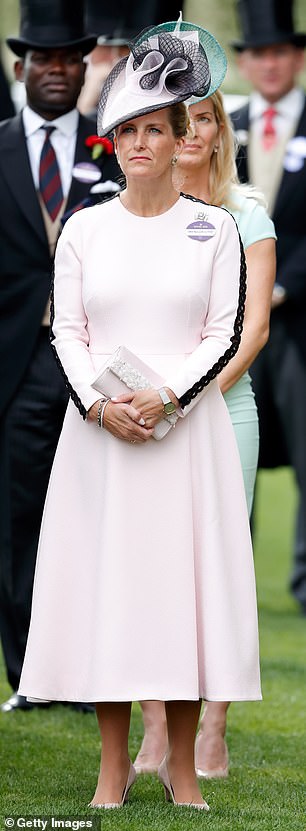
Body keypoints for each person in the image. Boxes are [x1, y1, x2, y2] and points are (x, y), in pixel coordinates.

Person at [19, 19, 261, 810]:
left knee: (181, 600)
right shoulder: (86, 228)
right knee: (112, 596)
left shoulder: (215, 229)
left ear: (182, 135)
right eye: (126, 131)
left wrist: (167, 396)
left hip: (186, 440)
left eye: (154, 129)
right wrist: (96, 402)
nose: (138, 143)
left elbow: (222, 330)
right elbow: (67, 328)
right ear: (111, 142)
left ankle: (184, 771)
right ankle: (112, 768)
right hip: (101, 442)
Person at [134, 89, 276, 778]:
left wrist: (187, 398)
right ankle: (157, 731)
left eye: (206, 118)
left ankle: (214, 726)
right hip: (142, 414)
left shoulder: (247, 214)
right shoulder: (134, 207)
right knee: (145, 567)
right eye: (177, 120)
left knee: (219, 569)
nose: (190, 132)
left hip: (223, 409)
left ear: (220, 132)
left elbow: (252, 332)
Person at [0, 0, 121, 714]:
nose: (55, 68)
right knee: (16, 526)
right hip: (14, 369)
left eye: (69, 58)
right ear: (21, 68)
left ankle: (89, 675)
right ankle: (30, 678)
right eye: (43, 58)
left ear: (85, 68)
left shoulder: (116, 149)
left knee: (92, 519)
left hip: (96, 365)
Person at [230, 0, 306, 616]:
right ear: (246, 63)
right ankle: (233, 581)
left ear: (298, 57)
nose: (271, 63)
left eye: (281, 50)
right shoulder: (223, 126)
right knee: (232, 451)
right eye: (259, 52)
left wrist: (283, 286)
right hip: (234, 323)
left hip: (301, 321)